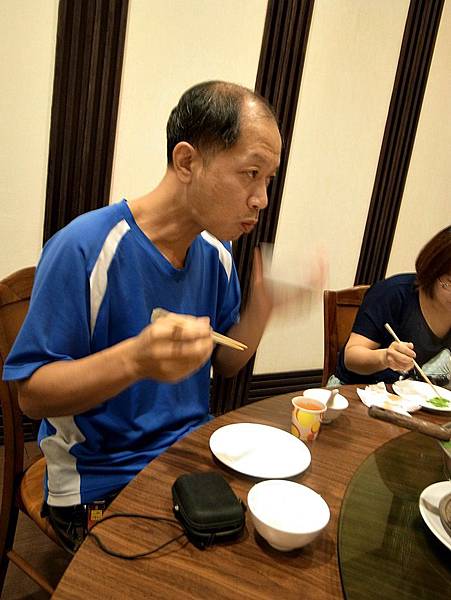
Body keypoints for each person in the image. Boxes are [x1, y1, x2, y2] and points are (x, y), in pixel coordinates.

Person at [3, 81, 284, 552]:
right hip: (101, 478)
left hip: (191, 457)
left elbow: (226, 363)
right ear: (187, 161)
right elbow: (31, 396)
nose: (261, 198)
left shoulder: (217, 256)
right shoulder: (85, 248)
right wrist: (136, 360)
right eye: (250, 173)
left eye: (268, 180)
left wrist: (261, 310)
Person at [333, 226, 451, 387]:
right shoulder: (393, 294)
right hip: (358, 392)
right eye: (450, 283)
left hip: (419, 401)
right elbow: (351, 357)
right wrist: (384, 358)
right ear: (433, 271)